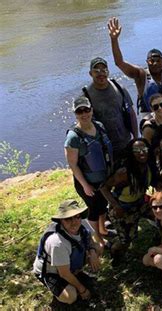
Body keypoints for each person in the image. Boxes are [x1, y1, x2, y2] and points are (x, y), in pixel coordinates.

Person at [64, 96, 114, 247]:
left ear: (91, 110)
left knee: (103, 205)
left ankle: (103, 229)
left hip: (104, 179)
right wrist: (85, 185)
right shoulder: (73, 137)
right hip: (88, 182)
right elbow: (73, 164)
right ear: (75, 114)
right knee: (94, 209)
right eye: (80, 111)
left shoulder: (99, 126)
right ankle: (98, 239)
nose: (84, 114)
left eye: (86, 110)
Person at [99, 138, 157, 263]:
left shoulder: (148, 166)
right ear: (131, 153)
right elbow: (104, 188)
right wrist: (116, 206)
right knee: (125, 241)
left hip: (141, 203)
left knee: (161, 216)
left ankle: (161, 239)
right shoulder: (124, 172)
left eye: (144, 149)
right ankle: (115, 254)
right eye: (136, 150)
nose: (141, 153)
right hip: (123, 208)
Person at [33, 200, 100, 305]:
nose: (74, 222)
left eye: (76, 216)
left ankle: (76, 273)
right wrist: (82, 290)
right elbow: (64, 273)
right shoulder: (57, 242)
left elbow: (95, 240)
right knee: (71, 297)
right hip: (52, 271)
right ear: (61, 221)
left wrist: (93, 251)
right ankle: (67, 283)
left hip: (66, 263)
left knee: (99, 247)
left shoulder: (82, 222)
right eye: (68, 219)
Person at [83, 57, 138, 162]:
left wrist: (135, 138)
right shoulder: (86, 96)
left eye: (104, 70)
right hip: (104, 148)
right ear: (90, 73)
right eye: (96, 71)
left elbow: (131, 114)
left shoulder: (119, 88)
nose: (101, 74)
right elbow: (85, 124)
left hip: (125, 142)